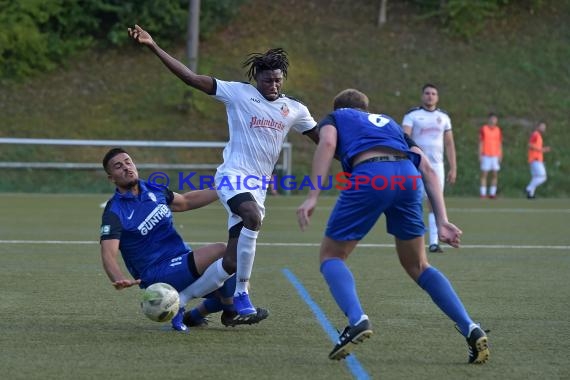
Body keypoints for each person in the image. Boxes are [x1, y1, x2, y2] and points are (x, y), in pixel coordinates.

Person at [127, 25, 319, 318]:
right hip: (232, 176)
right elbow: (191, 79)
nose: (274, 86)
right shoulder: (237, 93)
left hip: (256, 186)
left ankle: (184, 305)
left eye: (278, 81)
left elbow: (324, 139)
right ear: (256, 78)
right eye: (268, 81)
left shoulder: (294, 109)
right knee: (252, 217)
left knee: (230, 262)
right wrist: (153, 46)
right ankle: (242, 295)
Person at [297, 89, 489, 364]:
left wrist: (313, 195)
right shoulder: (389, 122)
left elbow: (327, 144)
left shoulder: (337, 117)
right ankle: (470, 327)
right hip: (408, 177)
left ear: (339, 108)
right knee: (419, 266)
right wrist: (442, 219)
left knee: (331, 256)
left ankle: (356, 319)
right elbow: (427, 168)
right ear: (367, 109)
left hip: (372, 175)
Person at [99, 148, 268, 331]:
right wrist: (118, 278)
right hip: (156, 273)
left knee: (235, 282)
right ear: (111, 178)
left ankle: (194, 316)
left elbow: (186, 201)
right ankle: (229, 310)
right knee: (223, 251)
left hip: (181, 259)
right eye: (118, 166)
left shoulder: (153, 189)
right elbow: (108, 254)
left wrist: (227, 188)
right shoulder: (114, 211)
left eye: (128, 162)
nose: (126, 167)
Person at [402, 84, 456, 253]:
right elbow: (404, 137)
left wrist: (453, 167)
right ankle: (412, 240)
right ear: (422, 96)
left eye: (433, 93)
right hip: (415, 164)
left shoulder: (444, 117)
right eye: (427, 93)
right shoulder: (412, 115)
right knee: (414, 200)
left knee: (434, 201)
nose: (430, 96)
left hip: (437, 166)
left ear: (437, 97)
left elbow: (449, 143)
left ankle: (434, 241)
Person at [479, 113, 503, 198]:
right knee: (484, 174)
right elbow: (481, 143)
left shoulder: (498, 130)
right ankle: (483, 193)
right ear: (489, 119)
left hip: (495, 155)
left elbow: (499, 143)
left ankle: (492, 193)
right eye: (492, 119)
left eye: (495, 119)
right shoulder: (484, 129)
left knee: (495, 174)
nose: (493, 120)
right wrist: (480, 155)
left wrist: (500, 154)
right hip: (486, 155)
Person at [525, 122, 551, 199]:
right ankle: (528, 188)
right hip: (535, 159)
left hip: (536, 159)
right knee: (543, 177)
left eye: (544, 127)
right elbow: (530, 145)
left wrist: (541, 150)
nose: (543, 128)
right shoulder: (535, 134)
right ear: (537, 127)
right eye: (542, 126)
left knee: (535, 177)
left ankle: (530, 194)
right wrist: (542, 149)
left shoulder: (538, 136)